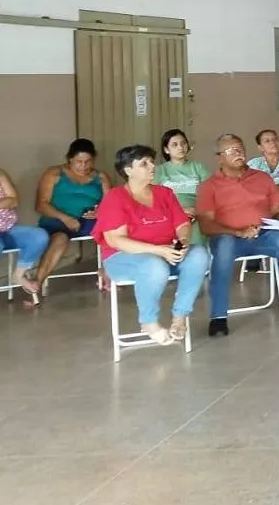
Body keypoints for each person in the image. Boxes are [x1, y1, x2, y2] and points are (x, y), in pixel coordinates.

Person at [195, 134, 279, 336]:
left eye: (241, 148)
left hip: (263, 234)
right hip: (230, 237)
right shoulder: (210, 186)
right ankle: (218, 317)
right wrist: (238, 231)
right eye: (232, 150)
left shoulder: (262, 179)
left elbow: (277, 210)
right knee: (224, 248)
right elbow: (206, 225)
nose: (239, 153)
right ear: (220, 157)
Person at [95, 144, 210, 344]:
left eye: (151, 161)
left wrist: (182, 241)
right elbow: (116, 240)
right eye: (144, 164)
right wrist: (159, 251)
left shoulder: (164, 193)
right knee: (154, 266)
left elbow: (183, 223)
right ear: (128, 170)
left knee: (199, 255)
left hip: (164, 252)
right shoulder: (115, 198)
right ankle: (148, 321)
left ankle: (180, 315)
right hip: (122, 257)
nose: (152, 166)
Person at [33, 138, 112, 293]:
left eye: (88, 161)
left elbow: (110, 204)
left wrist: (99, 212)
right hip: (57, 220)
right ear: (70, 159)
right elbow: (41, 205)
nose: (83, 166)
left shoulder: (101, 177)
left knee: (112, 230)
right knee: (59, 239)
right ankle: (36, 284)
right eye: (78, 161)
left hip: (88, 221)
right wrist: (65, 218)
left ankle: (109, 276)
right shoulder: (54, 173)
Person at [153, 129, 212, 246]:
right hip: (168, 214)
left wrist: (197, 210)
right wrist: (180, 211)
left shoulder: (198, 167)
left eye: (183, 143)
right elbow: (152, 198)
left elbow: (211, 192)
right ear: (166, 150)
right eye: (174, 145)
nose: (180, 147)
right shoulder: (160, 171)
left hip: (196, 214)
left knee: (196, 231)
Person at [0, 168, 47, 304]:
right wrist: (5, 201)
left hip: (9, 229)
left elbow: (14, 200)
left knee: (39, 236)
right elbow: (8, 200)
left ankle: (18, 275)